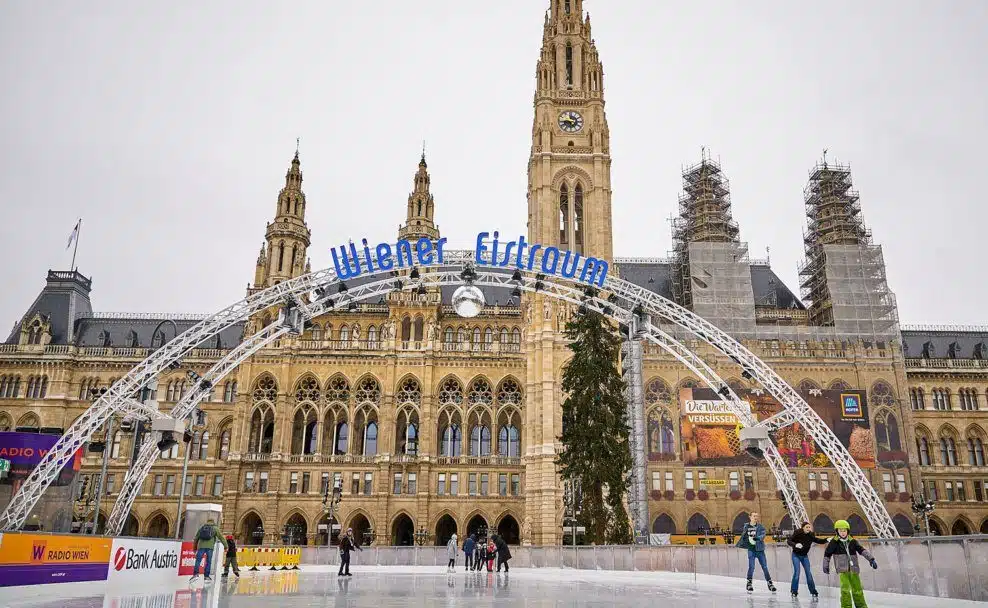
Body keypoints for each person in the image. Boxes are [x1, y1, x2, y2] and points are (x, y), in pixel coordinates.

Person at [823, 519, 877, 608]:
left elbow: (861, 550)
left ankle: (861, 606)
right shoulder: (834, 542)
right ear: (837, 531)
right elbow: (827, 554)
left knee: (857, 589)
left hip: (854, 569)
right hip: (842, 570)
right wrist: (825, 565)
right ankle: (846, 606)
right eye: (840, 531)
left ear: (847, 531)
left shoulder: (852, 541)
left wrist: (871, 559)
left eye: (844, 530)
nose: (843, 533)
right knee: (845, 590)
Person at [736, 512, 776, 593]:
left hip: (760, 550)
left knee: (764, 567)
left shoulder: (760, 526)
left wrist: (757, 538)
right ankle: (749, 583)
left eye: (757, 516)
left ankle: (770, 583)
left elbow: (763, 534)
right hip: (751, 550)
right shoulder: (746, 526)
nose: (756, 517)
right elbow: (744, 536)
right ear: (750, 517)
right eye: (754, 516)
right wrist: (743, 542)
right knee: (752, 567)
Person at [787, 522, 827, 599]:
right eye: (807, 527)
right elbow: (789, 541)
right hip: (796, 555)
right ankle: (794, 591)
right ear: (803, 528)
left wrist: (826, 540)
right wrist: (795, 545)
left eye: (809, 527)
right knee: (797, 572)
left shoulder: (811, 535)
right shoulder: (797, 532)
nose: (809, 529)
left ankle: (813, 591)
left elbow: (818, 540)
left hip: (804, 556)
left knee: (808, 573)